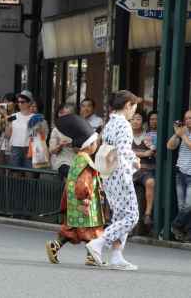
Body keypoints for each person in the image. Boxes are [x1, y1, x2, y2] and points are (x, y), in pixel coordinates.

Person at [86, 90, 142, 271]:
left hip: (108, 173)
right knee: (132, 216)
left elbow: (114, 148)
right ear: (128, 106)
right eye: (134, 107)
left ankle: (117, 255)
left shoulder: (110, 123)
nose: (134, 111)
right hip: (121, 174)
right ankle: (99, 243)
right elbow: (124, 151)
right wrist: (134, 163)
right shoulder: (124, 125)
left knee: (120, 216)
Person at [46, 114, 104, 266]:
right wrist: (85, 198)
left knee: (72, 228)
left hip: (74, 202)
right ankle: (91, 256)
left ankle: (55, 245)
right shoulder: (85, 161)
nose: (96, 145)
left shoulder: (77, 159)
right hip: (84, 202)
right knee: (93, 229)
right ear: (89, 145)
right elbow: (83, 183)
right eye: (95, 143)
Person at [131, 111, 156, 226]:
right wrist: (144, 154)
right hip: (130, 170)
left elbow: (152, 151)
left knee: (150, 182)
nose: (135, 121)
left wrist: (147, 152)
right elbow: (124, 152)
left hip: (145, 171)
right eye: (133, 119)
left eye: (138, 119)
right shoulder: (126, 134)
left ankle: (147, 214)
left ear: (143, 122)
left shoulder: (148, 135)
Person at [167, 111, 191, 213]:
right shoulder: (184, 132)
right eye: (186, 118)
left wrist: (182, 136)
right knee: (181, 206)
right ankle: (183, 229)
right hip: (181, 173)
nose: (188, 120)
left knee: (188, 206)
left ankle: (175, 226)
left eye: (190, 118)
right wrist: (177, 134)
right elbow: (170, 146)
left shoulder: (184, 135)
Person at [8, 90, 35, 170]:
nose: (20, 104)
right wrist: (7, 124)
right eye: (18, 102)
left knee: (29, 173)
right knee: (14, 173)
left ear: (29, 103)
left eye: (22, 102)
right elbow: (7, 135)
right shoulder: (13, 116)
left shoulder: (35, 117)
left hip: (30, 148)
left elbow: (38, 136)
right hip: (15, 147)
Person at [49, 104, 76, 181]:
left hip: (77, 162)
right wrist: (60, 145)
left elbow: (83, 148)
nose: (62, 115)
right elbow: (52, 150)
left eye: (66, 114)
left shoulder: (77, 128)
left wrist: (73, 145)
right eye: (60, 113)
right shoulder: (56, 130)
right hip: (62, 162)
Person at [0, 93, 16, 168]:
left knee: (11, 172)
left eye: (9, 102)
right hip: (0, 146)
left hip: (11, 147)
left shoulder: (17, 115)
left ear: (15, 103)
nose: (6, 104)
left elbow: (8, 132)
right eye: (5, 102)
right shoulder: (4, 115)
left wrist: (5, 114)